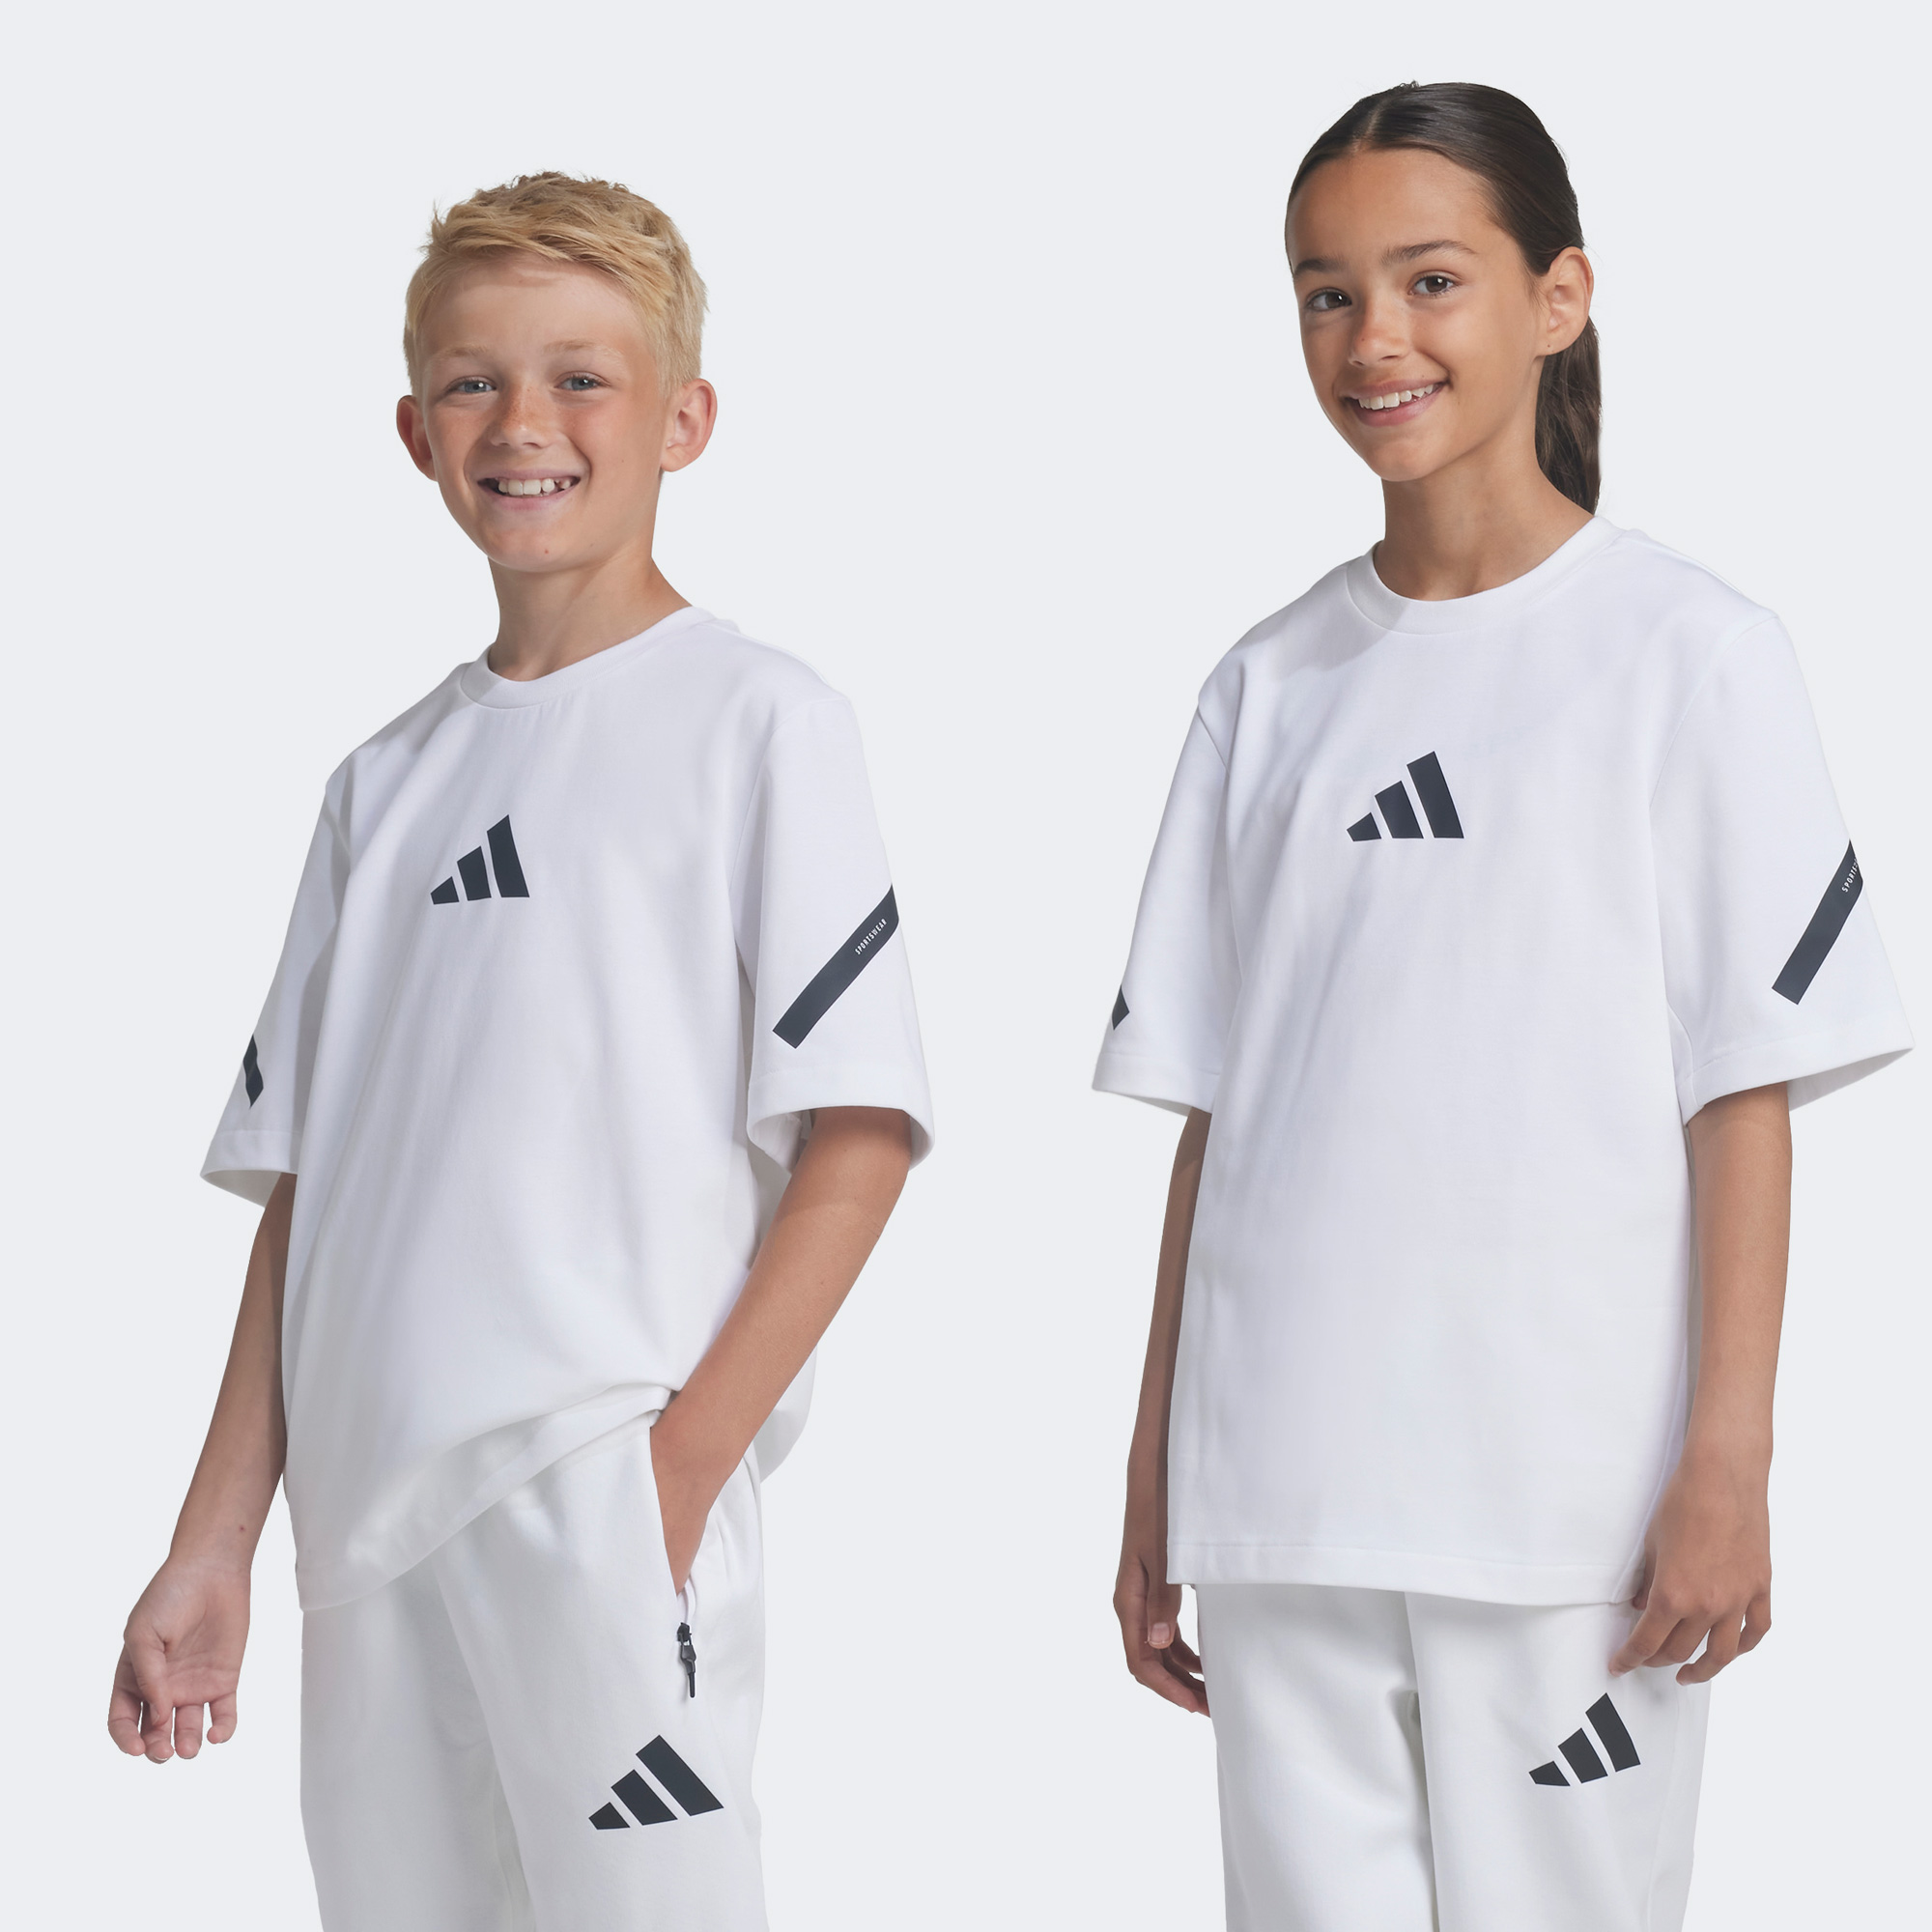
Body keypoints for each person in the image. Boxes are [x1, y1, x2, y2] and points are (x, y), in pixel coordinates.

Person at [1096, 83, 1911, 1932]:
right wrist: (1160, 1476)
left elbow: (1743, 1093)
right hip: (1285, 1497)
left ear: (1560, 298)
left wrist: (1730, 1458)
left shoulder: (1691, 654)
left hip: (1566, 1516)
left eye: (1430, 280)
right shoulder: (1267, 685)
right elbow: (1218, 1114)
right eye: (1326, 293)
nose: (1373, 337)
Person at [107, 173, 932, 1931]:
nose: (522, 424)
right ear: (415, 433)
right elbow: (310, 1194)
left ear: (683, 419)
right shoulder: (382, 784)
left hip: (599, 1487)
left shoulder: (760, 722)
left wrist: (677, 1475)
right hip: (365, 1531)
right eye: (473, 382)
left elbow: (858, 1135)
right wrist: (212, 1542)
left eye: (581, 379)